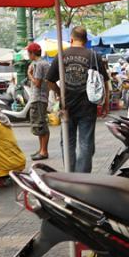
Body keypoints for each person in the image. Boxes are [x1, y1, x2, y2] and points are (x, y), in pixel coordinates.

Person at [46, 26, 108, 174]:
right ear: (86, 40)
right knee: (86, 143)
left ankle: (70, 173)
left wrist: (59, 92)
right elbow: (104, 82)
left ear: (71, 39)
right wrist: (106, 103)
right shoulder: (93, 56)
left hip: (66, 105)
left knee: (68, 142)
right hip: (88, 106)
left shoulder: (62, 55)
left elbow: (49, 80)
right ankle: (82, 176)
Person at [26, 42, 50, 160]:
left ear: (32, 53)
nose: (28, 55)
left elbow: (37, 83)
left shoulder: (39, 65)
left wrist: (29, 74)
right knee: (39, 125)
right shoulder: (43, 63)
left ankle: (44, 151)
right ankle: (41, 149)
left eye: (28, 53)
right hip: (42, 97)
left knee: (41, 124)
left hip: (39, 98)